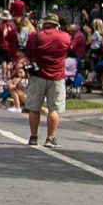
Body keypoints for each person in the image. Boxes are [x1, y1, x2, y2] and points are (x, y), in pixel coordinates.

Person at [24, 13, 71, 148]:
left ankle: (33, 137)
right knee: (54, 109)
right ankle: (50, 138)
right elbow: (68, 51)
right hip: (57, 76)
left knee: (34, 108)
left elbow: (28, 50)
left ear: (45, 23)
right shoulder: (65, 37)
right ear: (57, 24)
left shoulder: (36, 36)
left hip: (38, 75)